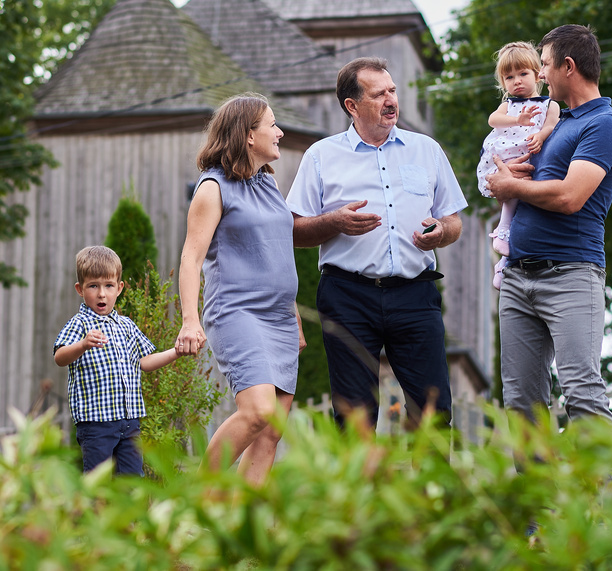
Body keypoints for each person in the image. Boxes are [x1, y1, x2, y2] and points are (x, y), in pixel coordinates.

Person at [286, 57, 468, 431]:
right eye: (378, 94)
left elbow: (453, 221)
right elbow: (294, 230)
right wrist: (334, 222)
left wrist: (441, 231)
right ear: (352, 106)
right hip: (348, 296)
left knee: (434, 412)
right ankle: (361, 490)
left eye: (392, 91)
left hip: (416, 296)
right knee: (355, 416)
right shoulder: (321, 156)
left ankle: (429, 491)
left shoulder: (427, 150)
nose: (390, 101)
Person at [485, 24, 612, 422]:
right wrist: (506, 179)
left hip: (570, 275)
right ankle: (539, 487)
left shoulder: (603, 124)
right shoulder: (554, 122)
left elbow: (569, 197)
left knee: (581, 393)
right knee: (521, 404)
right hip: (516, 277)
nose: (540, 74)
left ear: (568, 66)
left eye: (544, 65)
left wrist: (512, 184)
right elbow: (519, 175)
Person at [175, 93, 306, 486]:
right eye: (272, 125)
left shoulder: (268, 182)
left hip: (280, 319)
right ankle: (197, 502)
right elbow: (190, 259)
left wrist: (294, 316)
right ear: (248, 135)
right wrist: (189, 321)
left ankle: (237, 531)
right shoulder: (213, 188)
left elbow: (277, 253)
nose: (280, 132)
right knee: (257, 412)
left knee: (271, 431)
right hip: (237, 313)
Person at [54, 245, 185, 475]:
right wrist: (83, 344)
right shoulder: (80, 324)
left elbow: (145, 362)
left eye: (108, 286)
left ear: (119, 288)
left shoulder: (126, 326)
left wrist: (176, 352)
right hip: (96, 424)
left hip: (129, 422)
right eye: (93, 286)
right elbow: (59, 357)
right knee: (98, 481)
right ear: (80, 289)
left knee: (132, 480)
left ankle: (133, 511)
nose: (101, 294)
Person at [476, 41, 560, 290]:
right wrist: (517, 119)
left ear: (537, 74)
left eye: (523, 74)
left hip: (528, 156)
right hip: (504, 157)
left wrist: (541, 136)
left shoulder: (549, 104)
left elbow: (551, 125)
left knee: (522, 207)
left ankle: (504, 261)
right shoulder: (509, 106)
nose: (517, 81)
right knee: (511, 192)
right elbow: (493, 119)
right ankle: (502, 229)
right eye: (509, 77)